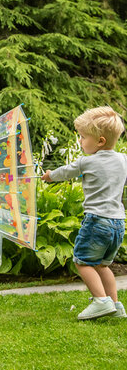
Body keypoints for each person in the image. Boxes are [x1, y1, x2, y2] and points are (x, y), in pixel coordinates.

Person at [42, 106, 127, 320]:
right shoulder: (122, 160)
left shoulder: (86, 161)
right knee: (102, 264)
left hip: (97, 220)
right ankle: (115, 305)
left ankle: (100, 301)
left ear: (100, 141)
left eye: (83, 137)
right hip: (118, 222)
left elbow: (65, 172)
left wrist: (50, 175)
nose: (80, 141)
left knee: (82, 261)